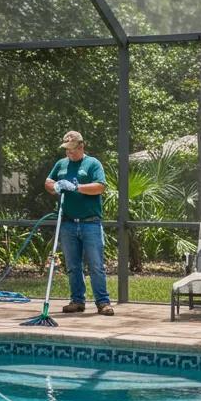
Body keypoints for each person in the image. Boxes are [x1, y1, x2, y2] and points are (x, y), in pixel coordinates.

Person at [45, 130, 114, 316]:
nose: (69, 152)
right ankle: (77, 301)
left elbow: (99, 187)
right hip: (67, 223)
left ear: (81, 146)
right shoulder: (61, 164)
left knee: (96, 265)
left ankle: (103, 302)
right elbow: (48, 182)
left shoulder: (93, 164)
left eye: (72, 149)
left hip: (90, 223)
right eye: (66, 149)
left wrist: (77, 187)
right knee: (73, 266)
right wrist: (55, 186)